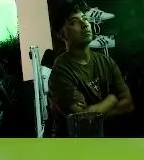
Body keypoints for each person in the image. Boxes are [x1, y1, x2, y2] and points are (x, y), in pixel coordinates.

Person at [46, 5, 133, 138]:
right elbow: (83, 121)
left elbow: (128, 104)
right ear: (61, 34)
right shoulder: (61, 72)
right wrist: (112, 99)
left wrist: (97, 113)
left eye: (85, 19)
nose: (84, 24)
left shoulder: (106, 61)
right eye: (74, 22)